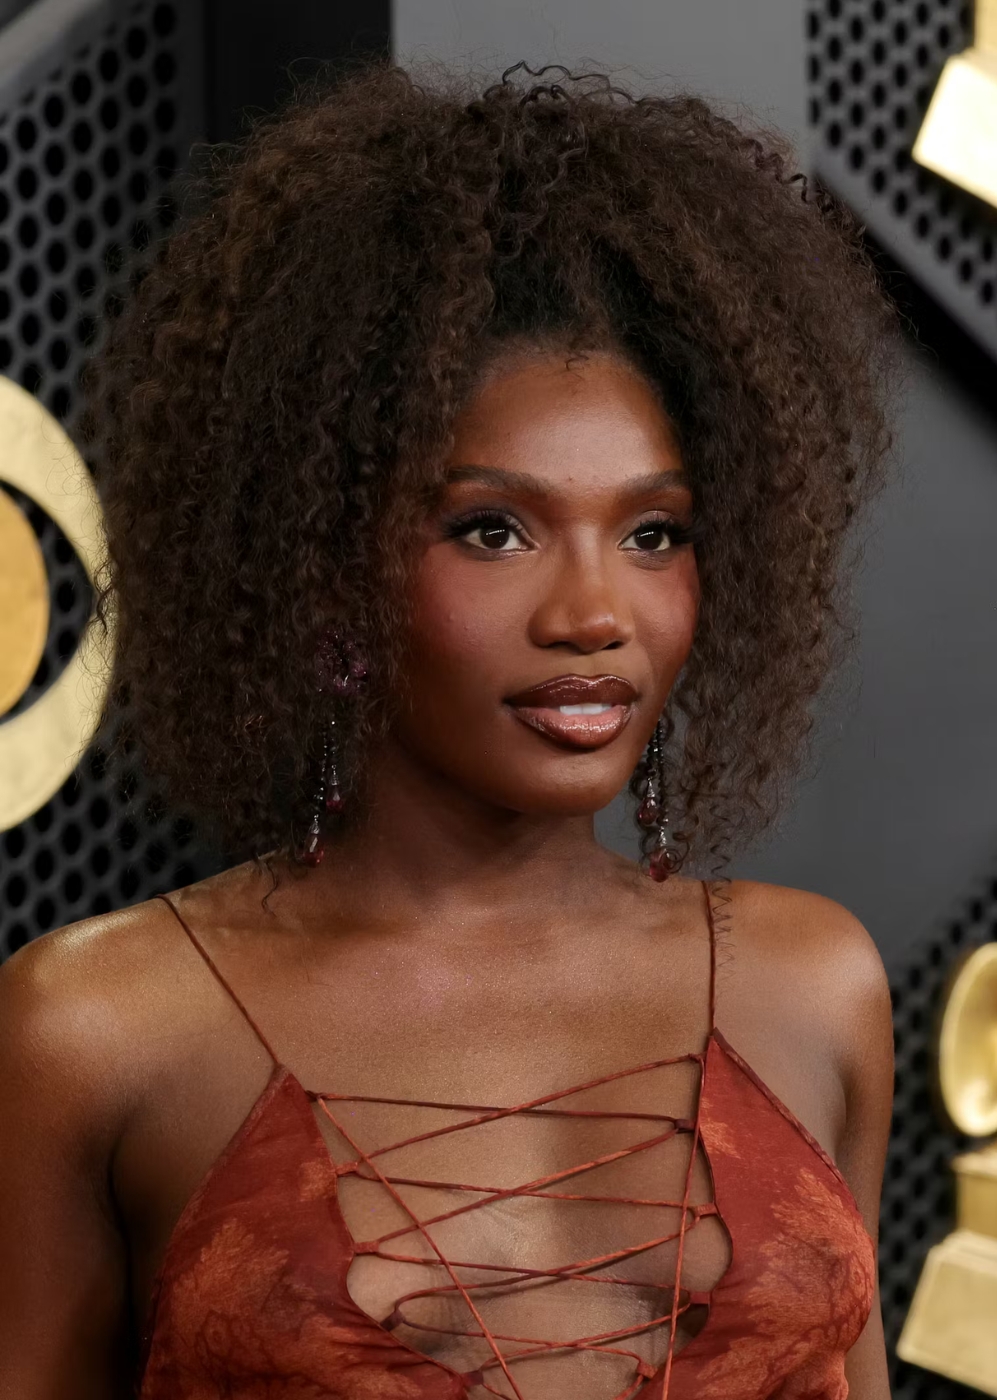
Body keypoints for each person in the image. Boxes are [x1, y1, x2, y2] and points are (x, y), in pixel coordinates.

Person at [0, 63, 896, 1400]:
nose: (596, 614)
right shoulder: (99, 1028)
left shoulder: (811, 985)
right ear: (325, 559)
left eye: (656, 534)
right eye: (493, 530)